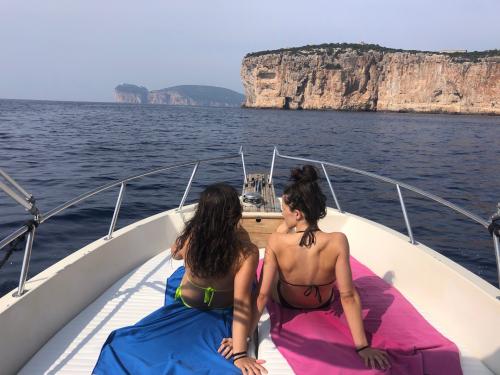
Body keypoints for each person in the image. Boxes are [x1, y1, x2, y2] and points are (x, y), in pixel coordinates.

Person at [93, 183, 267, 375]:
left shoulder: (191, 238)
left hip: (186, 303)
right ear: (235, 214)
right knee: (251, 285)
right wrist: (240, 354)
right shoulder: (245, 252)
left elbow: (175, 253)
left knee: (124, 343)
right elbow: (241, 303)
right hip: (219, 312)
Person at [253, 165, 390, 370]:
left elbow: (263, 296)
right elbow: (348, 296)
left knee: (270, 265)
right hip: (321, 301)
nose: (283, 215)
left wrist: (246, 337)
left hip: (286, 301)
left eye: (284, 211)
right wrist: (362, 347)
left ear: (297, 214)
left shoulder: (277, 241)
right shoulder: (338, 241)